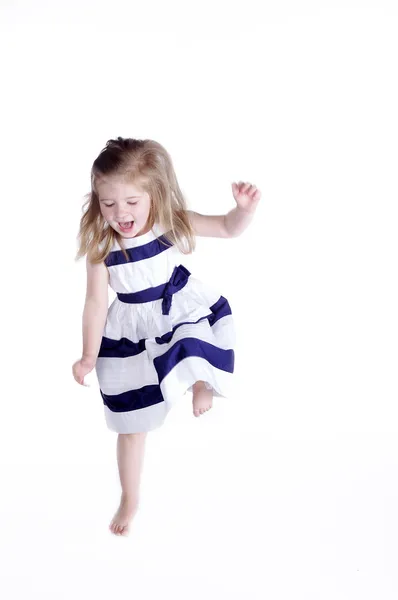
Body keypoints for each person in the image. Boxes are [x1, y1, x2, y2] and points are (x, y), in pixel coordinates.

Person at [72, 137, 261, 536]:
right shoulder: (103, 247)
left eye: (131, 202)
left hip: (174, 308)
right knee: (129, 422)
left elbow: (227, 229)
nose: (120, 213)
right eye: (108, 204)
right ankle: (129, 496)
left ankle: (199, 381)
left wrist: (243, 211)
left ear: (153, 195)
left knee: (190, 335)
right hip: (130, 330)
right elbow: (93, 302)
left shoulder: (168, 225)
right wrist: (89, 355)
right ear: (98, 201)